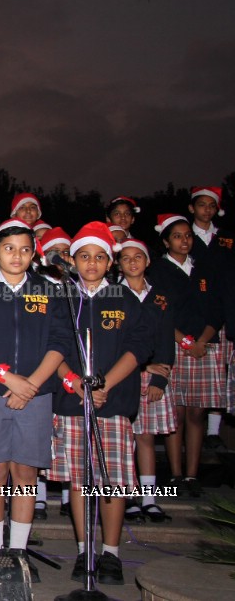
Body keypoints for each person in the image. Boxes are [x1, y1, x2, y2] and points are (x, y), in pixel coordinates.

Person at [0, 218, 70, 581]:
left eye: (25, 249)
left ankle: (19, 553)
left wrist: (32, 385)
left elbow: (59, 343)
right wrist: (6, 378)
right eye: (9, 249)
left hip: (36, 395)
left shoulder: (48, 291)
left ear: (34, 252)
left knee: (25, 471)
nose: (17, 255)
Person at [48, 222, 151, 586]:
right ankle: (83, 550)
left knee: (110, 481)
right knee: (80, 481)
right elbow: (53, 349)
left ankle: (111, 553)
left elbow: (137, 348)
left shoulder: (125, 300)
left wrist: (103, 384)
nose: (91, 263)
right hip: (73, 402)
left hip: (111, 401)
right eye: (84, 256)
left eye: (99, 257)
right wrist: (76, 385)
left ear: (110, 263)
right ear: (73, 260)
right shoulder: (64, 299)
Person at [145, 214, 224, 498]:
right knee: (175, 413)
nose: (184, 240)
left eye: (187, 235)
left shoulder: (204, 267)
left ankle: (193, 474)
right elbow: (160, 311)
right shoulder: (158, 270)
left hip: (205, 345)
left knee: (197, 412)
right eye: (177, 236)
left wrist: (201, 340)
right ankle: (176, 475)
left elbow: (217, 307)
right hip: (176, 343)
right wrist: (187, 342)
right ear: (166, 241)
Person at [116, 239, 176, 525]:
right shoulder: (112, 294)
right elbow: (113, 342)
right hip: (121, 375)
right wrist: (140, 365)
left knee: (146, 438)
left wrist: (158, 378)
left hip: (151, 378)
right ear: (118, 263)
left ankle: (149, 499)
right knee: (123, 439)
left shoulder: (160, 297)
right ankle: (126, 497)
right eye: (125, 258)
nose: (132, 262)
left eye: (138, 256)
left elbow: (165, 340)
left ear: (148, 261)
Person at [187, 186, 234, 450]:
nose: (207, 209)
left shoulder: (226, 238)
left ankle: (214, 430)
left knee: (224, 367)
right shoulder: (184, 236)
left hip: (225, 306)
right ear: (192, 208)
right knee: (203, 371)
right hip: (198, 308)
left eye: (211, 205)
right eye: (202, 205)